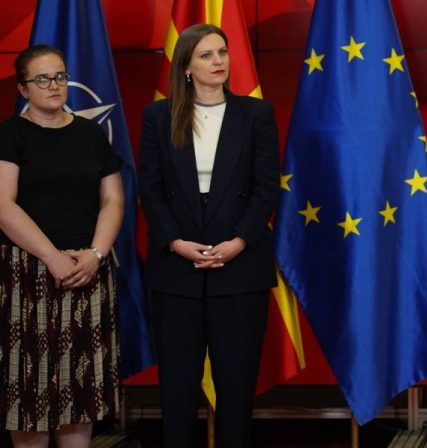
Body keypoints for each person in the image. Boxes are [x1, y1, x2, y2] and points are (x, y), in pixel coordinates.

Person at [138, 24, 279, 448]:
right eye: (206, 55)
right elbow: (150, 188)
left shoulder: (256, 114)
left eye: (222, 52)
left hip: (239, 268)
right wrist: (174, 242)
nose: (219, 61)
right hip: (176, 271)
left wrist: (239, 241)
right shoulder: (158, 117)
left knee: (236, 389)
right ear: (186, 66)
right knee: (177, 390)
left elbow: (266, 188)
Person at [0, 45, 122, 448]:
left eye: (60, 76)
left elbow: (113, 200)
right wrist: (52, 258)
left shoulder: (90, 134)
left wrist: (96, 255)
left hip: (86, 272)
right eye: (42, 79)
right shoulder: (10, 134)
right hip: (26, 274)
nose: (54, 85)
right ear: (23, 88)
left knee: (79, 395)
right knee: (28, 394)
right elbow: (3, 205)